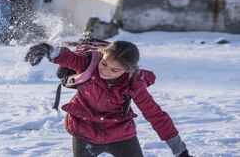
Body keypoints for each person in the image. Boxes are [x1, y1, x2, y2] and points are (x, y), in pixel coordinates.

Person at [25, 41, 192, 157]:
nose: (106, 71)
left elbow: (155, 115)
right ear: (102, 55)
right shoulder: (88, 65)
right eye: (104, 64)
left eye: (115, 70)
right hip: (84, 130)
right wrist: (49, 50)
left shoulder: (134, 84)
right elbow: (67, 57)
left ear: (128, 70)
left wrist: (179, 150)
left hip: (120, 133)